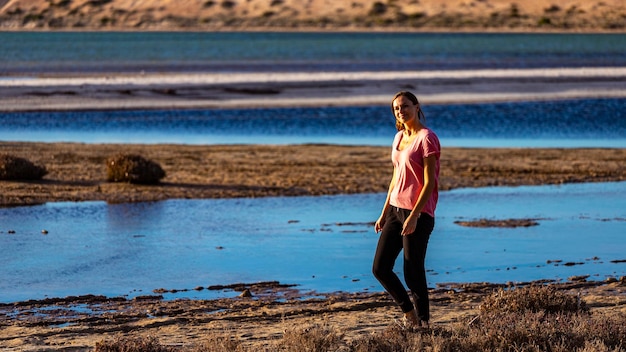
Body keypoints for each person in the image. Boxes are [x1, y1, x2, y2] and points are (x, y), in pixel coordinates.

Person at [373, 91, 441, 330]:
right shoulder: (398, 137)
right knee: (380, 268)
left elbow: (429, 182)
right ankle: (409, 312)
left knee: (413, 273)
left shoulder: (427, 138)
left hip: (418, 213)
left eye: (405, 106)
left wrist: (414, 216)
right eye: (396, 109)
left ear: (416, 106)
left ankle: (423, 324)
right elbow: (395, 178)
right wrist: (384, 212)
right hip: (394, 209)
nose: (401, 111)